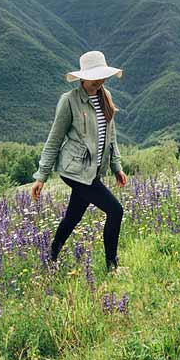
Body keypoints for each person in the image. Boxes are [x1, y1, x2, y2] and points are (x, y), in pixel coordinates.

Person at [31, 50, 127, 271]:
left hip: (94, 170)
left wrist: (116, 166)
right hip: (74, 171)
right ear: (83, 77)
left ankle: (51, 258)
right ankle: (112, 266)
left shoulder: (106, 96)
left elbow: (111, 136)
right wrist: (41, 176)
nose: (100, 81)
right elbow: (54, 139)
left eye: (102, 76)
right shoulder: (69, 101)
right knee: (115, 210)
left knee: (73, 216)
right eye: (95, 77)